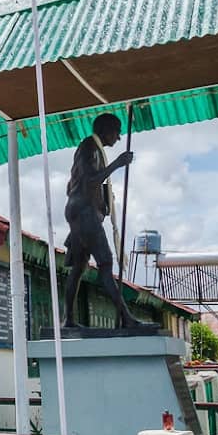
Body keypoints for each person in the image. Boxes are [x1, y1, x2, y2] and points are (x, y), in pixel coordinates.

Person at [62, 113, 146, 329]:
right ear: (106, 130)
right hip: (83, 212)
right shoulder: (89, 147)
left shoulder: (95, 149)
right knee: (105, 263)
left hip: (82, 211)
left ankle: (68, 320)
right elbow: (89, 180)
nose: (118, 138)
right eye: (117, 132)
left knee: (78, 267)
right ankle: (126, 319)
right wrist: (117, 164)